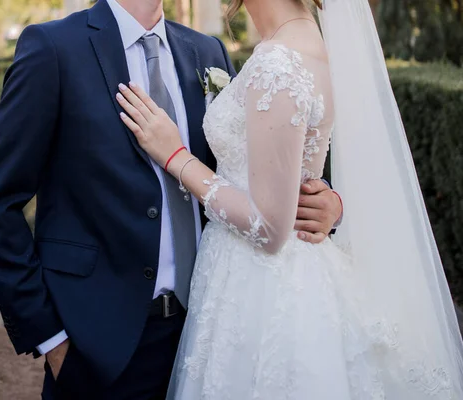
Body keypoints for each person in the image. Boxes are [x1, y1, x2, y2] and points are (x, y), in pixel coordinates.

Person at [0, 0, 342, 398]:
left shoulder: (206, 51)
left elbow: (265, 164)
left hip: (205, 331)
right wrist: (51, 339)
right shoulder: (54, 48)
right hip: (97, 346)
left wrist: (330, 205)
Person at [115, 0, 463, 398]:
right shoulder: (305, 42)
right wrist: (333, 202)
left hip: (261, 288)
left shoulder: (278, 62)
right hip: (274, 270)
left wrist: (175, 156)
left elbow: (268, 227)